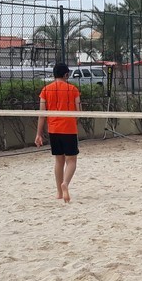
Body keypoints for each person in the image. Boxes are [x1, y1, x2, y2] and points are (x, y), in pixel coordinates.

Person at [34, 62, 82, 202]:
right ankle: (65, 184)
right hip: (69, 128)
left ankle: (59, 193)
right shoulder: (73, 89)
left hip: (54, 129)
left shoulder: (46, 90)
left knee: (58, 160)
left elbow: (42, 114)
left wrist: (38, 134)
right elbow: (79, 113)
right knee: (71, 160)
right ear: (66, 74)